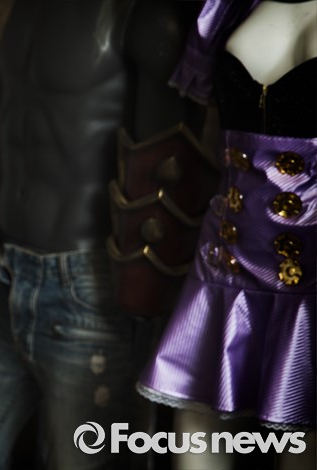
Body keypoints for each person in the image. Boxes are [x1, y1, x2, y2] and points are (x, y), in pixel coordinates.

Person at [0, 0, 208, 468]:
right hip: (2, 270)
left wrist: (142, 303)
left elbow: (167, 183)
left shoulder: (146, 15)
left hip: (90, 289)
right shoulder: (25, 8)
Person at [137, 0, 316, 469]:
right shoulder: (223, 7)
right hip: (226, 258)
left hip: (312, 275)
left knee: (301, 433)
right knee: (195, 420)